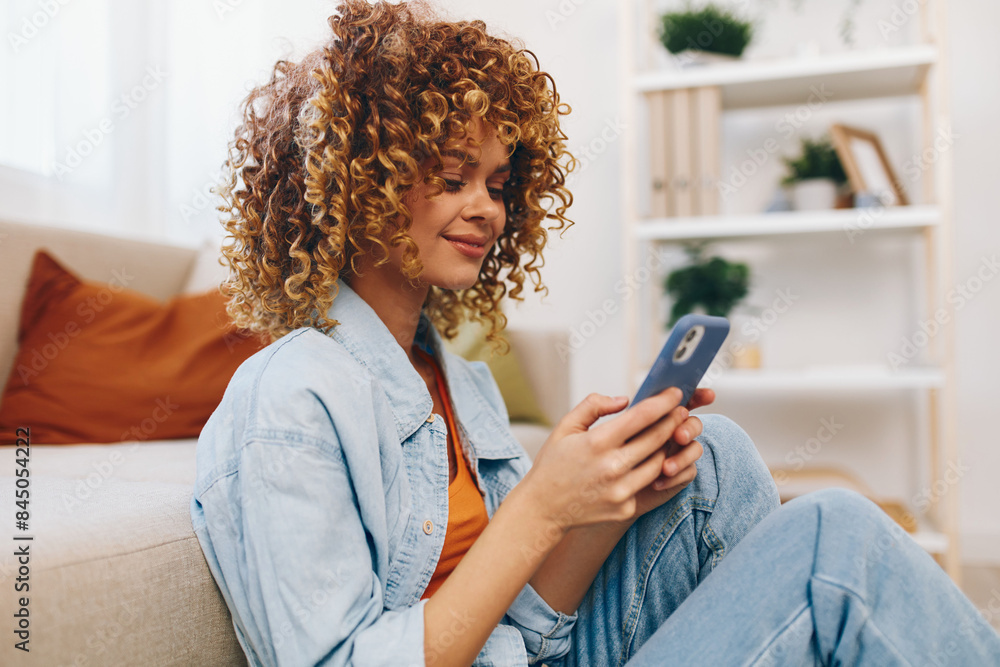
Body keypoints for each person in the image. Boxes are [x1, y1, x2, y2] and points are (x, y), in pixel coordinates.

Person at [190, 1, 1000, 665]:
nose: (488, 208)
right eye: (450, 176)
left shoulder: (457, 383)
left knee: (707, 457)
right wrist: (542, 508)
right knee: (837, 540)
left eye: (499, 184)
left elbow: (535, 627)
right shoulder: (289, 399)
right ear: (360, 184)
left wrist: (608, 501)